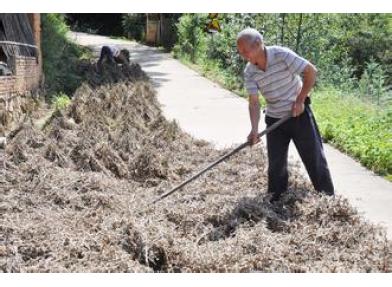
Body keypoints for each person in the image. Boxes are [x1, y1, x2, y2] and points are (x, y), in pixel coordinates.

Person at [236, 27, 334, 202]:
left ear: (258, 44)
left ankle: (328, 200)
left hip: (298, 115)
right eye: (240, 52)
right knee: (276, 165)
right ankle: (276, 201)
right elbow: (254, 102)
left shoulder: (281, 55)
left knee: (314, 158)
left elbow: (311, 71)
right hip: (275, 119)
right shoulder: (250, 71)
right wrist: (254, 129)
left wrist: (300, 100)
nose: (243, 55)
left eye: (245, 51)